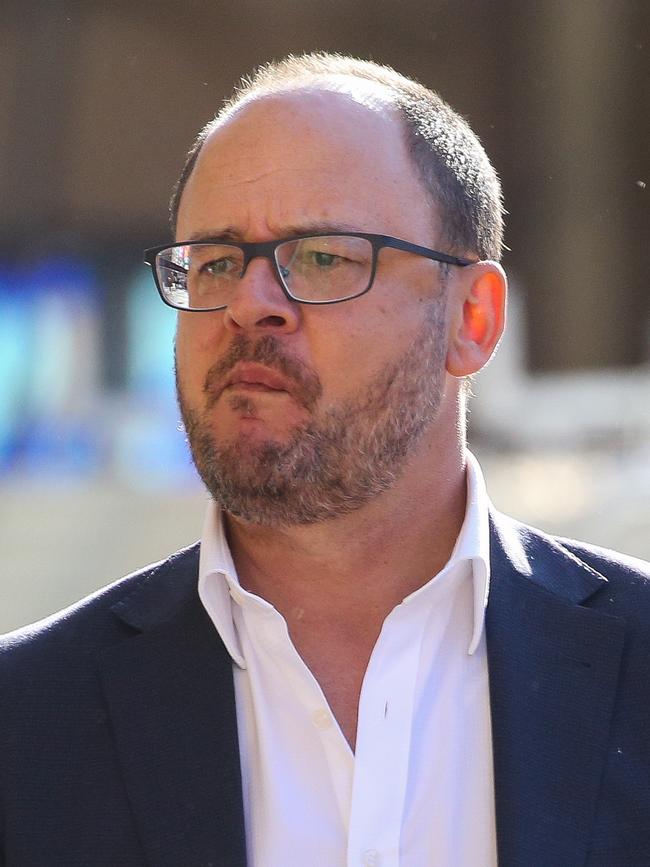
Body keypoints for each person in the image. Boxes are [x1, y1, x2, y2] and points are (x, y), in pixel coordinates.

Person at [1, 52, 649, 867]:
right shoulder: (27, 721)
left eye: (321, 257)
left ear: (472, 319)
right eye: (216, 261)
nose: (247, 305)